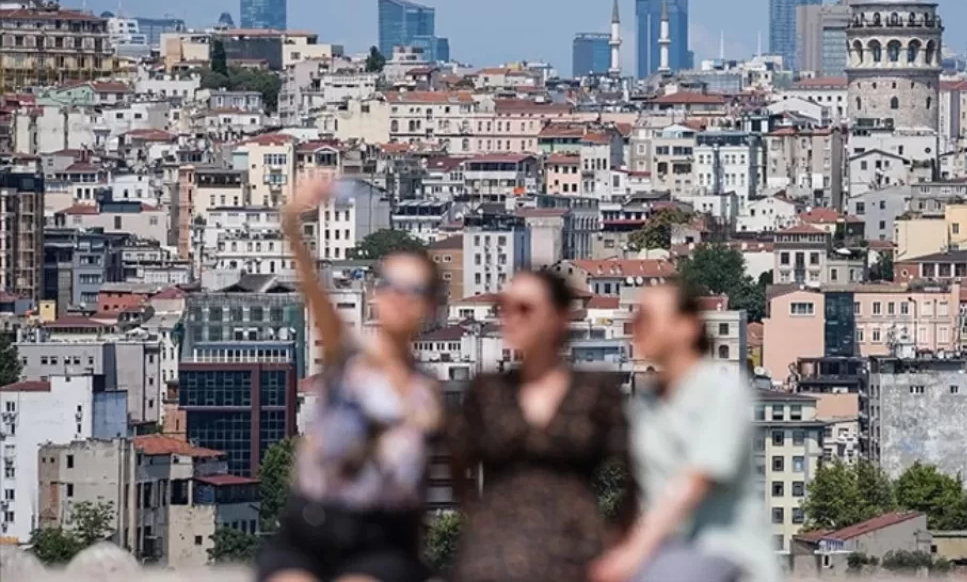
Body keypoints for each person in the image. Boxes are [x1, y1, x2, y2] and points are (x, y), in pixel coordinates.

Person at [257, 176, 443, 582]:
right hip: (312, 524)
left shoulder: (427, 391)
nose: (398, 296)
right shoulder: (347, 355)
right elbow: (313, 291)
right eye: (389, 285)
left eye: (412, 289)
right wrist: (292, 222)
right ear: (374, 294)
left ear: (429, 305)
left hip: (382, 536)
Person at [449, 269, 635, 582]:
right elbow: (458, 467)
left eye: (525, 308)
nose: (510, 318)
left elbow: (632, 471)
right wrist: (479, 523)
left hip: (575, 550)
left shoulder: (594, 390)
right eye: (504, 308)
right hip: (494, 553)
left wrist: (617, 544)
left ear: (559, 316)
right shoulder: (486, 389)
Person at [592, 283, 779, 582]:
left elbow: (694, 483)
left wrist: (634, 553)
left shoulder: (723, 390)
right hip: (664, 550)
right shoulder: (644, 404)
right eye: (635, 318)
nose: (636, 327)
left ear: (686, 327)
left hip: (722, 550)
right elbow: (638, 492)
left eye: (647, 318)